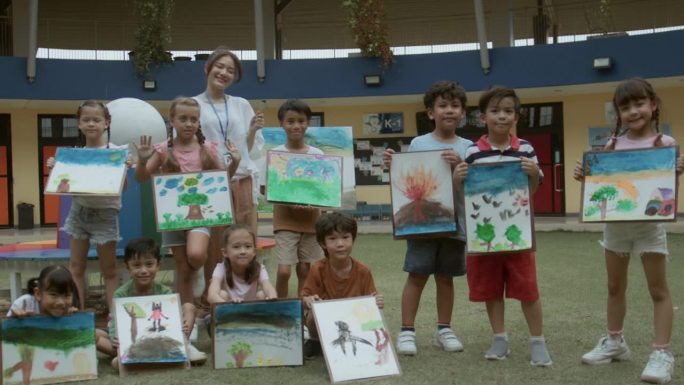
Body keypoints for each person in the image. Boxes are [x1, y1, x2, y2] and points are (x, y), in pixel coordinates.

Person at [574, 78, 683, 384]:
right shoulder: (611, 146)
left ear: (653, 105)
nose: (633, 111)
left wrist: (676, 171)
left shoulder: (666, 145)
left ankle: (662, 353)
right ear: (618, 113)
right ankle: (615, 342)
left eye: (639, 104)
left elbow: (666, 194)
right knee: (613, 287)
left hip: (650, 230)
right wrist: (586, 174)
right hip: (616, 230)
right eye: (626, 107)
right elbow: (605, 188)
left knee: (658, 290)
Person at [453, 86, 551, 367]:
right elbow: (465, 195)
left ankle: (538, 342)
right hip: (484, 237)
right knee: (491, 289)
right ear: (483, 117)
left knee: (528, 289)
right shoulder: (472, 151)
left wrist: (533, 175)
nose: (502, 116)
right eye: (495, 111)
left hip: (517, 234)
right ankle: (499, 338)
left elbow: (531, 190)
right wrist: (458, 179)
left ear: (516, 116)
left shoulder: (526, 148)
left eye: (508, 111)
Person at [382, 80, 471, 356]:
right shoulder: (419, 142)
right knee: (417, 274)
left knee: (446, 278)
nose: (449, 110)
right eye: (442, 105)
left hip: (456, 223)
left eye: (455, 106)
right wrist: (391, 165)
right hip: (421, 225)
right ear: (430, 112)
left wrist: (460, 166)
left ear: (463, 113)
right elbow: (410, 176)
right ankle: (407, 331)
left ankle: (444, 329)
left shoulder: (470, 147)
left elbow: (473, 187)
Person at [135, 97, 240, 305]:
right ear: (172, 120)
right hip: (172, 218)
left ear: (198, 122)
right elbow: (141, 177)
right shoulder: (164, 149)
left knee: (196, 254)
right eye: (183, 119)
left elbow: (222, 179)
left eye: (193, 119)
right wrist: (142, 160)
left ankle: (198, 273)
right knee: (182, 269)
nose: (189, 123)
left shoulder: (207, 148)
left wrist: (235, 163)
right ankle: (187, 314)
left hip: (199, 215)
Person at [194, 47, 265, 299]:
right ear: (207, 68)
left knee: (246, 243)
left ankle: (249, 297)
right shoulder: (193, 105)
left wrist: (253, 131)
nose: (224, 73)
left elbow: (248, 150)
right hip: (212, 185)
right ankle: (212, 301)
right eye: (220, 66)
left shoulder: (240, 104)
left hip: (241, 180)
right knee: (216, 245)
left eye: (231, 71)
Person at [47, 100, 129, 310]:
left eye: (96, 119)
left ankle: (113, 320)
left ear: (106, 123)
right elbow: (65, 187)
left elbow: (123, 187)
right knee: (75, 267)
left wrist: (122, 168)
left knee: (109, 270)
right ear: (79, 124)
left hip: (106, 214)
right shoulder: (73, 155)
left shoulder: (116, 152)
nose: (91, 124)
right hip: (79, 212)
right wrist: (56, 169)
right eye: (86, 120)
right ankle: (77, 314)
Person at [102, 237, 207, 368]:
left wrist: (180, 327)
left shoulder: (165, 292)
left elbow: (172, 319)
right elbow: (114, 321)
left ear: (158, 266)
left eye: (149, 264)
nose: (143, 270)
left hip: (162, 341)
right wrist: (115, 338)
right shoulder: (121, 294)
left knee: (189, 307)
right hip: (134, 343)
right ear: (127, 267)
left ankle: (184, 346)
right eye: (136, 265)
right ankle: (125, 357)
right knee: (99, 338)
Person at [300, 212, 384, 359]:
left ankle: (369, 343)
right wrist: (309, 300)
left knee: (374, 316)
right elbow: (305, 297)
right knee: (313, 313)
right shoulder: (317, 268)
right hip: (327, 319)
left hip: (354, 320)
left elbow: (371, 303)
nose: (340, 244)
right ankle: (315, 341)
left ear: (353, 239)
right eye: (332, 238)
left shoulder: (363, 271)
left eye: (345, 237)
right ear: (322, 243)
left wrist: (376, 302)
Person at [267, 99, 325, 298]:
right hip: (284, 220)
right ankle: (281, 308)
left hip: (311, 220)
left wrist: (314, 204)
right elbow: (269, 189)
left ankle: (303, 310)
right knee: (284, 271)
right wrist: (289, 203)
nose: (296, 126)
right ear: (281, 124)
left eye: (301, 121)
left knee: (305, 269)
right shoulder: (276, 154)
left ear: (308, 123)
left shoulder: (318, 154)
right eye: (290, 121)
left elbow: (322, 189)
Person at [5, 266, 81, 384]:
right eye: (54, 295)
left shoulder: (67, 310)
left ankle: (116, 347)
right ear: (38, 294)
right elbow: (6, 336)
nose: (60, 302)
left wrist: (71, 318)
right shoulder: (25, 303)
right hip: (28, 349)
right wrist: (15, 318)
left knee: (96, 335)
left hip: (48, 350)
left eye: (66, 296)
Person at [207, 224, 277, 304]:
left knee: (263, 295)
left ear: (254, 251)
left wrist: (271, 297)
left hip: (251, 312)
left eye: (247, 246)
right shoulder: (221, 268)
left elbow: (268, 287)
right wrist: (230, 306)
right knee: (221, 294)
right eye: (236, 247)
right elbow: (211, 296)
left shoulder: (259, 268)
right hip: (228, 311)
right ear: (225, 252)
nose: (243, 251)